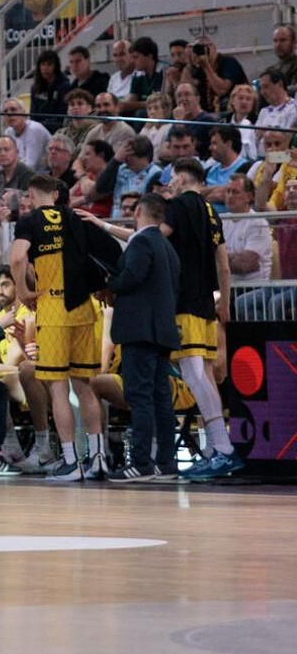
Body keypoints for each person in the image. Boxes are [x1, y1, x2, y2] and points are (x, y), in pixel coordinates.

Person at [11, 176, 108, 482]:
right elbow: (106, 252)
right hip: (83, 307)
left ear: (31, 195)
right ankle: (98, 458)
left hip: (53, 308)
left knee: (57, 388)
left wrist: (22, 291)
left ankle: (70, 462)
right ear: (56, 194)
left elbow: (17, 257)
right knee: (85, 386)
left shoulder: (29, 221)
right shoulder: (74, 216)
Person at [164, 158, 241, 478]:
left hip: (185, 302)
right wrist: (224, 303)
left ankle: (223, 448)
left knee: (195, 376)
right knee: (205, 376)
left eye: (172, 178)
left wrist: (107, 228)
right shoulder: (212, 211)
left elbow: (153, 238)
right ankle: (212, 449)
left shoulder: (178, 206)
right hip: (208, 303)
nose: (170, 184)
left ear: (182, 179)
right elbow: (223, 265)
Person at [105, 192, 182, 478]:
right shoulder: (167, 246)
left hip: (139, 331)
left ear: (138, 211)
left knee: (140, 397)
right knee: (160, 397)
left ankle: (140, 462)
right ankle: (166, 461)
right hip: (162, 331)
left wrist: (109, 282)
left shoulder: (141, 242)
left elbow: (132, 277)